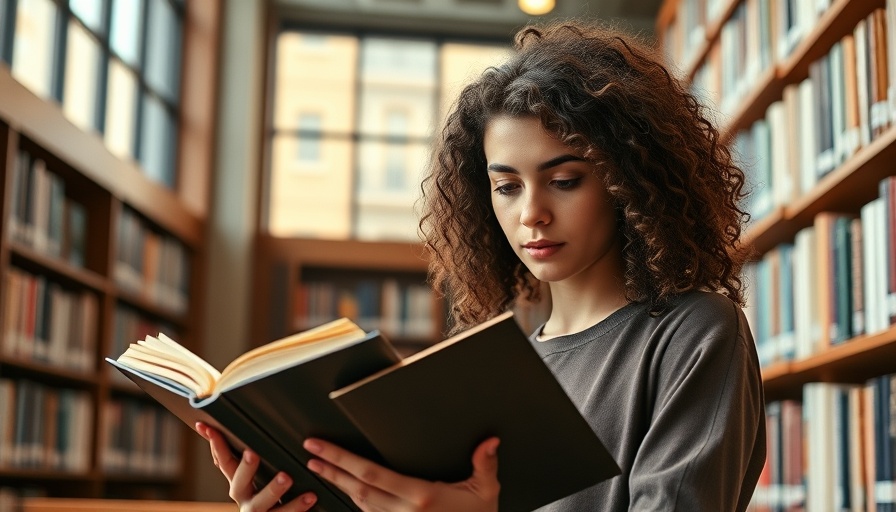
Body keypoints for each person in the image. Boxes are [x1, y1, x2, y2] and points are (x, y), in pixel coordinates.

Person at [198, 19, 766, 512]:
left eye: (565, 181)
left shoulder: (693, 333)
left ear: (630, 182)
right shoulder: (500, 356)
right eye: (506, 186)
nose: (532, 214)